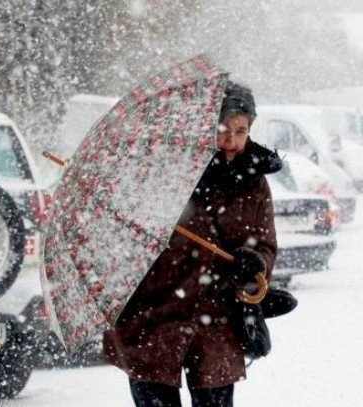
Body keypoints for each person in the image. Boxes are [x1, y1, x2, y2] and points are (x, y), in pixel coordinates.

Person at [103, 81, 282, 407]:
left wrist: (253, 262)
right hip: (156, 313)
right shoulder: (166, 168)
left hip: (217, 317)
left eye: (241, 131)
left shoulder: (254, 180)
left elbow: (266, 245)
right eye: (222, 130)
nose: (231, 141)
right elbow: (130, 236)